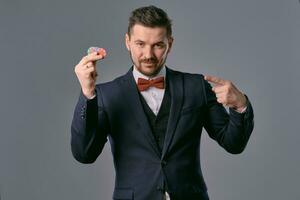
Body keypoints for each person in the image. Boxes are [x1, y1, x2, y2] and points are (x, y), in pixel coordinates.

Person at [71, 5, 254, 200]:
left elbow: (234, 143)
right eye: (140, 44)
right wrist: (88, 94)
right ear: (127, 42)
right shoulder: (107, 95)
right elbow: (84, 154)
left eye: (158, 45)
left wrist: (240, 106)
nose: (148, 54)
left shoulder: (196, 87)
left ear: (170, 44)